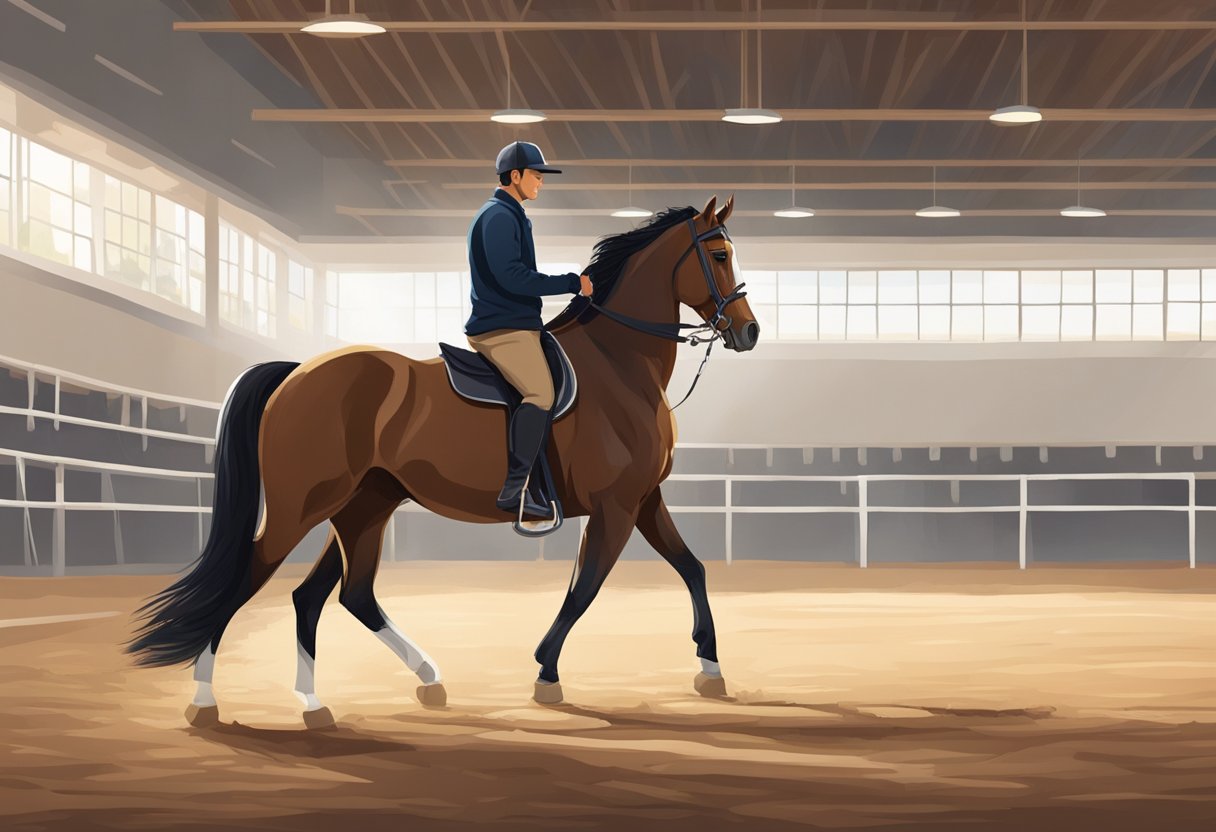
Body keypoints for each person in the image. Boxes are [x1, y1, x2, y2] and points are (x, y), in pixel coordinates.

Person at [465, 141, 593, 518]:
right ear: (515, 176)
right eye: (536, 175)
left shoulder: (514, 214)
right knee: (540, 392)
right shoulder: (498, 217)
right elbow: (512, 277)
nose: (540, 182)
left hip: (517, 322)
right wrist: (571, 282)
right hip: (500, 328)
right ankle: (515, 488)